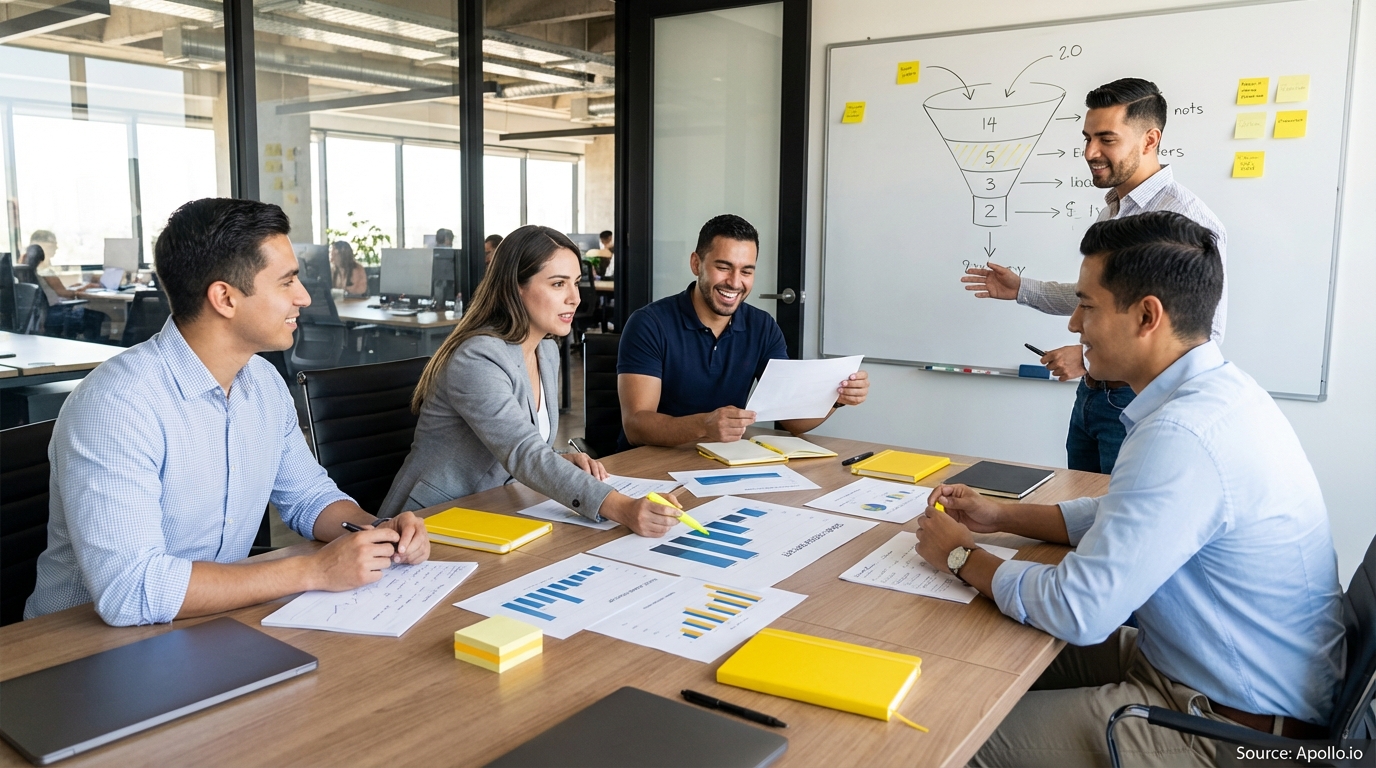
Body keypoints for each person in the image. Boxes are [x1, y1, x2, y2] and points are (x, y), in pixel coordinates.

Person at [916, 212, 1341, 767]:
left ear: (1147, 316)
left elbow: (1078, 609)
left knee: (945, 738)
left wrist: (957, 553)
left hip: (1232, 729)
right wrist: (1000, 516)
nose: (1073, 324)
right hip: (1199, 669)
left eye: (1087, 305)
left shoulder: (1183, 434)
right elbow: (1128, 512)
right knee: (968, 658)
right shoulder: (1219, 395)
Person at [25, 198, 430, 627]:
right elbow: (132, 590)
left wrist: (379, 532)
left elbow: (310, 498)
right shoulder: (117, 406)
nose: (305, 297)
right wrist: (315, 570)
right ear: (225, 298)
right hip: (78, 650)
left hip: (210, 623)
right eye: (287, 282)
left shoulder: (263, 383)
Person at [961, 78, 1226, 474]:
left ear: (1149, 140)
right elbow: (1105, 298)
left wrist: (1087, 358)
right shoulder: (1115, 209)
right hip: (1091, 400)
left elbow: (1204, 336)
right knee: (1080, 516)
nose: (1090, 152)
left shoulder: (1187, 221)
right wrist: (1023, 289)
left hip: (1138, 403)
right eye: (1087, 138)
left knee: (1115, 522)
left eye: (1106, 139)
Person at [379, 224, 684, 537]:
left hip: (497, 511)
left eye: (576, 283)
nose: (575, 298)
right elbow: (523, 452)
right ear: (516, 288)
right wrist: (622, 508)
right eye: (557, 284)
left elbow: (523, 446)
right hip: (428, 524)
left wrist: (558, 460)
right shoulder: (477, 358)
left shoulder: (546, 351)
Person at [617, 214, 869, 451]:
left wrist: (837, 398)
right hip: (648, 464)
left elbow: (790, 420)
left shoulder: (763, 327)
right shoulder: (649, 324)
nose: (735, 282)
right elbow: (636, 426)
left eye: (746, 271)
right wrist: (704, 425)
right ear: (696, 263)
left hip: (724, 460)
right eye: (724, 267)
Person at [24, 242, 106, 341]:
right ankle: (95, 343)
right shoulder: (46, 272)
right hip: (58, 311)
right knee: (97, 314)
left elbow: (56, 291)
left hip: (50, 312)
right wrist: (86, 287)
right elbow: (65, 294)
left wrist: (74, 287)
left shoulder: (31, 273)